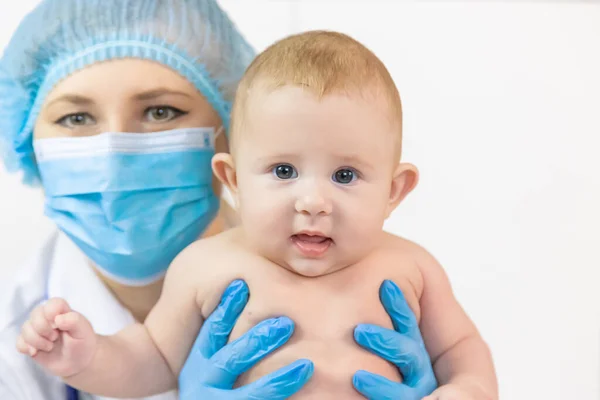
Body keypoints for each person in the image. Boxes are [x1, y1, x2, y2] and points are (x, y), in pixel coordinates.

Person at [17, 31, 498, 399]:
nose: (313, 201)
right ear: (233, 180)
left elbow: (460, 349)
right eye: (284, 170)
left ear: (395, 191)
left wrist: (463, 389)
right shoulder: (206, 268)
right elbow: (153, 359)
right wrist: (89, 356)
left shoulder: (411, 268)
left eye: (346, 175)